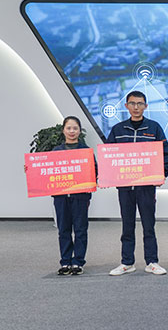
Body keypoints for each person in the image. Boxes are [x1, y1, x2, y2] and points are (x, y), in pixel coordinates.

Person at [106, 90, 168, 276]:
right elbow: (108, 156)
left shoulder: (154, 128)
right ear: (126, 106)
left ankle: (152, 261)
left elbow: (165, 153)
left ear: (146, 106)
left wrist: (161, 174)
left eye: (140, 104)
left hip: (146, 187)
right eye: (133, 103)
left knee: (148, 225)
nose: (136, 107)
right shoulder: (118, 130)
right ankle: (127, 262)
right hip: (125, 187)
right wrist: (108, 176)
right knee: (127, 225)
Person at [51, 116, 96, 275]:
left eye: (75, 128)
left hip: (80, 196)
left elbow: (95, 171)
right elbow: (47, 171)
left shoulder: (86, 151)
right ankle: (65, 261)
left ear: (79, 131)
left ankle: (78, 261)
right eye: (69, 128)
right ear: (63, 130)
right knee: (63, 229)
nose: (72, 131)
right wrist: (30, 169)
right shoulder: (56, 151)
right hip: (61, 197)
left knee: (80, 229)